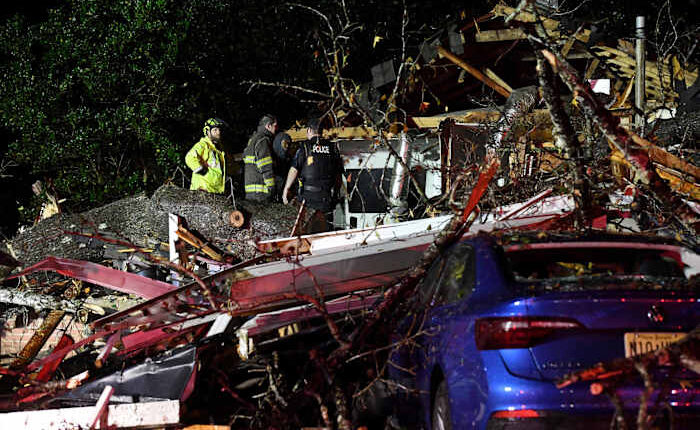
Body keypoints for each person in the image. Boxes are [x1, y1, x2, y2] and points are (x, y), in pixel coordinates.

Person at [282, 118, 344, 232]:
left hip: (307, 199)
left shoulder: (305, 147)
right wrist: (335, 195)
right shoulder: (333, 148)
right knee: (325, 232)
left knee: (306, 232)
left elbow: (294, 170)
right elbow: (338, 176)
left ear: (309, 130)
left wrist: (286, 189)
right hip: (325, 198)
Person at [185, 117, 228, 194]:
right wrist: (200, 169)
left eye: (219, 130)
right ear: (207, 131)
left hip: (215, 191)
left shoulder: (219, 151)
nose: (218, 132)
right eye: (215, 130)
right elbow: (190, 157)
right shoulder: (203, 145)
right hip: (203, 190)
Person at [243, 114, 278, 201]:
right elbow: (266, 166)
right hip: (261, 192)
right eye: (275, 126)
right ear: (268, 126)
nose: (276, 129)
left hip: (251, 191)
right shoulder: (263, 140)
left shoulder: (253, 139)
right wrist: (271, 188)